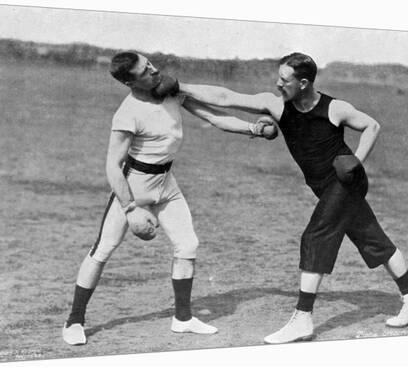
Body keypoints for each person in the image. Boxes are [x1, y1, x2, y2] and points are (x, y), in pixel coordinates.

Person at [176, 52, 408, 344]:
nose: (278, 83)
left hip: (346, 181)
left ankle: (303, 318)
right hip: (324, 185)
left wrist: (356, 161)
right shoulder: (278, 106)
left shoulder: (334, 108)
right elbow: (224, 96)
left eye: (284, 80)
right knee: (370, 236)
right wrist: (181, 88)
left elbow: (372, 126)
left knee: (315, 235)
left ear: (304, 82)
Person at [62, 51, 276, 345]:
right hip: (134, 185)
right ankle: (74, 320)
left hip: (166, 184)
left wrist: (254, 129)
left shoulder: (171, 91)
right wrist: (131, 208)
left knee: (187, 245)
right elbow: (112, 166)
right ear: (129, 81)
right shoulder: (127, 113)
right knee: (103, 249)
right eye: (145, 71)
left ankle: (183, 319)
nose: (154, 70)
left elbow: (214, 116)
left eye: (150, 64)